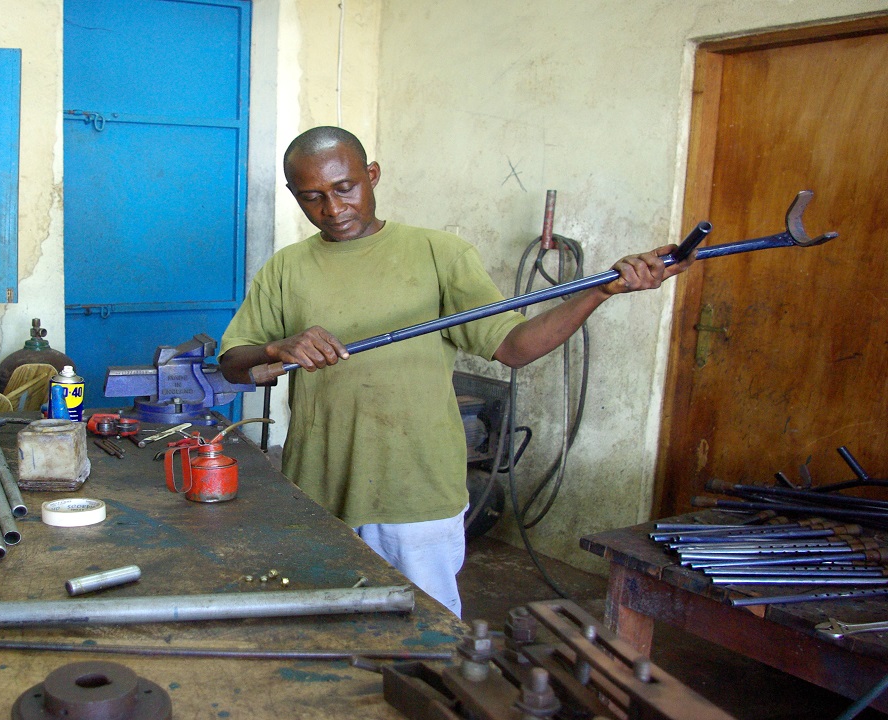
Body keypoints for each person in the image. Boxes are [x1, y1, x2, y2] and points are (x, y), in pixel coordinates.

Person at [218, 126, 693, 617]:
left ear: (373, 176)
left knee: (424, 632)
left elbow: (514, 347)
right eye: (312, 197)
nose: (333, 209)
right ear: (295, 196)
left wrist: (601, 291)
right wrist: (277, 345)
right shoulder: (286, 268)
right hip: (315, 485)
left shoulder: (439, 254)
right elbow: (233, 364)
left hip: (416, 493)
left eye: (345, 189)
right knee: (320, 629)